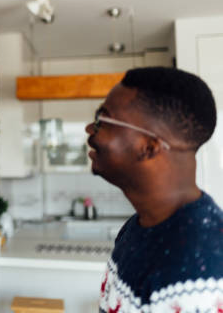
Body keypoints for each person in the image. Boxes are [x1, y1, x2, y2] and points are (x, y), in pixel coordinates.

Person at [85, 67, 223, 312]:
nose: (90, 130)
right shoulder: (138, 226)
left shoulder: (200, 269)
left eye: (102, 120)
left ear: (149, 147)